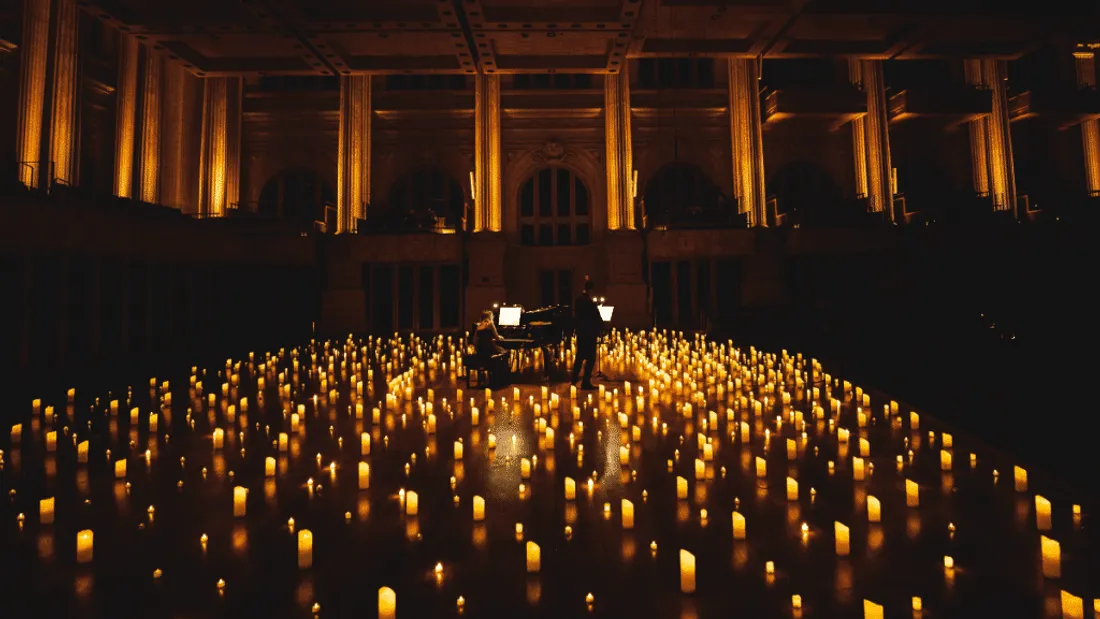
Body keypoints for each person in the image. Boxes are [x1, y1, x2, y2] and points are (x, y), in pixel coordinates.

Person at [571, 280, 603, 389]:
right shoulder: (589, 302)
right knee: (591, 358)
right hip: (589, 333)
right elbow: (595, 317)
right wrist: (600, 327)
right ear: (591, 289)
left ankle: (574, 380)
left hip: (581, 332)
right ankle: (585, 381)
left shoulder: (579, 300)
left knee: (580, 357)